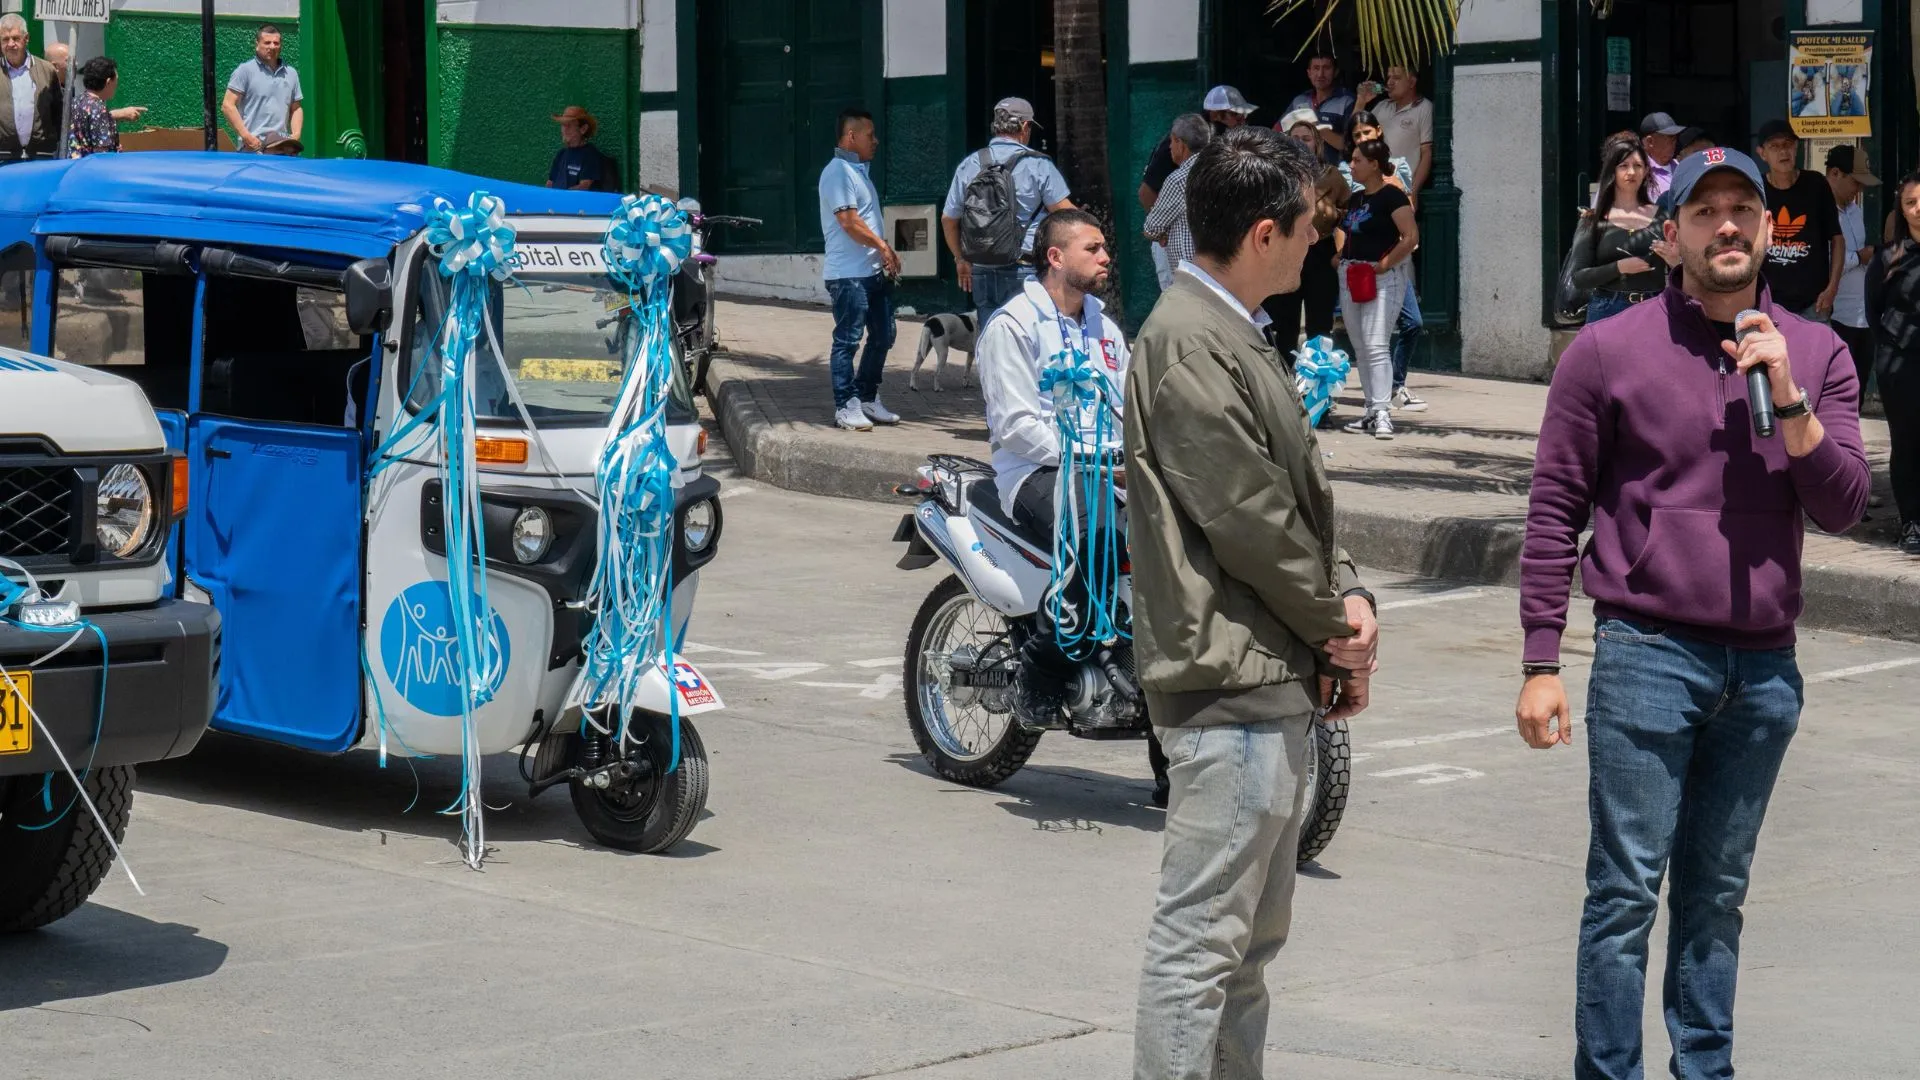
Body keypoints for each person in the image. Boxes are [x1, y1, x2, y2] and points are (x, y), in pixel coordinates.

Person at [1519, 146, 1868, 1080]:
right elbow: (1556, 506)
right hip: (1647, 652)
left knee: (1717, 894)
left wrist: (1789, 398)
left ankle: (1703, 1070)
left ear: (1769, 232)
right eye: (1705, 211)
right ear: (1668, 236)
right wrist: (1541, 659)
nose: (1726, 226)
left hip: (1763, 671)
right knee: (1626, 892)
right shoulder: (1606, 352)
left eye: (1742, 211)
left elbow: (1841, 503)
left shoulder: (1819, 354)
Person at [1125, 125, 1378, 1080]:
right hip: (1229, 682)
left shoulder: (1228, 330)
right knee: (1203, 947)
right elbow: (1251, 518)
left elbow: (1289, 501)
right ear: (1266, 232)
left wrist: (1341, 602)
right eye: (1313, 223)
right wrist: (1336, 621)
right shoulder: (1190, 340)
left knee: (1245, 951)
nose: (1324, 237)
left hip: (1264, 674)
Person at [941, 97, 1074, 321]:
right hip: (1025, 268)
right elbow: (1066, 215)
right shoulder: (1038, 165)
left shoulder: (969, 164)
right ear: (1024, 126)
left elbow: (948, 219)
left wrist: (961, 259)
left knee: (992, 340)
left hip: (982, 268)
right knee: (1029, 338)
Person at [818, 107, 900, 432]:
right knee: (848, 340)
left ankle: (867, 397)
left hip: (871, 274)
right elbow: (849, 222)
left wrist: (882, 255)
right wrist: (883, 247)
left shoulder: (859, 171)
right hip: (848, 277)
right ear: (851, 136)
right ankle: (846, 405)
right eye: (870, 135)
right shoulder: (837, 172)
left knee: (884, 334)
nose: (875, 141)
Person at [1340, 110, 1425, 410]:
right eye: (1355, 136)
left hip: (1386, 270)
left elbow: (1409, 233)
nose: (1350, 165)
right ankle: (1373, 404)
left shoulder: (1393, 187)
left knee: (1382, 340)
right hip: (1355, 273)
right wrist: (1340, 257)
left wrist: (1386, 263)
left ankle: (1386, 400)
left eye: (1365, 134)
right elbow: (1346, 227)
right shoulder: (1355, 196)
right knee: (1364, 346)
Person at [1261, 108, 1348, 356]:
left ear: (1317, 144)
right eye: (1295, 138)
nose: (1300, 143)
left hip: (1320, 252)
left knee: (1319, 323)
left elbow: (1347, 213)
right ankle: (1286, 379)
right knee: (1284, 320)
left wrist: (1340, 251)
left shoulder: (1331, 176)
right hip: (1287, 251)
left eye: (1306, 138)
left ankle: (1319, 381)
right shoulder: (1276, 176)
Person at [1865, 172, 1920, 556]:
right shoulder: (1889, 256)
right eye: (1911, 203)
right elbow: (1874, 311)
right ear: (1901, 211)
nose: (1919, 209)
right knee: (1907, 441)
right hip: (1901, 361)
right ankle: (1912, 522)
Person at [1572, 134, 1679, 323]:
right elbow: (1579, 277)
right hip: (1608, 308)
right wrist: (1619, 267)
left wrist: (1674, 261)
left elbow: (1685, 270)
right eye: (1623, 166)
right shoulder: (1592, 220)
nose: (1631, 172)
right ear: (1612, 171)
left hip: (1653, 308)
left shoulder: (1663, 217)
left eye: (1637, 166)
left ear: (1646, 170)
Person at [1756, 119, 1844, 321]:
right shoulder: (1757, 189)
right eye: (1774, 146)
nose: (1783, 152)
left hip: (1815, 303)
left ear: (1796, 147)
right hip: (1769, 303)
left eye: (1787, 145)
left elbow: (1837, 239)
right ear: (1762, 153)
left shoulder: (1816, 184)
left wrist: (1832, 289)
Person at [1827, 145, 1880, 396]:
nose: (1859, 189)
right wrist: (1859, 258)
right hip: (1835, 317)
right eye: (1855, 182)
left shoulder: (1855, 211)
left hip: (1863, 316)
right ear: (1835, 173)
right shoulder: (1820, 210)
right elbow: (1822, 262)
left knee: (1857, 393)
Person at [1141, 113, 1212, 284]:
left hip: (1191, 273)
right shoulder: (1221, 171)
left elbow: (1151, 228)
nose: (1170, 147)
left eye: (1172, 142)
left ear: (1180, 144)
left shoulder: (1178, 180)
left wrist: (1162, 233)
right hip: (1220, 270)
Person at [222, 23, 302, 153]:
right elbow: (227, 105)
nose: (272, 47)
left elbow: (296, 108)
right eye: (267, 43)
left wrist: (296, 135)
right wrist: (247, 137)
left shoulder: (291, 73)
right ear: (257, 44)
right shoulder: (244, 70)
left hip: (282, 149)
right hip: (252, 149)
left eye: (276, 43)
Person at [1357, 65, 1433, 193]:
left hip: (1400, 189)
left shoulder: (1424, 107)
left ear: (1412, 82)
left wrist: (1414, 191)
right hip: (1372, 187)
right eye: (1388, 77)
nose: (1389, 82)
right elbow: (1354, 133)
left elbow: (1426, 153)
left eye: (1396, 78)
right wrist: (1361, 101)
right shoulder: (1382, 106)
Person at [0, 14, 62, 163]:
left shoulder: (47, 70)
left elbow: (58, 112)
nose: (10, 44)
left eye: (15, 38)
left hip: (41, 156)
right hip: (4, 157)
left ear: (26, 38)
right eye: (5, 39)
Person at [1283, 52, 1354, 162]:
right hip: (1301, 168)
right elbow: (1278, 132)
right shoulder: (1299, 100)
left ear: (1335, 72)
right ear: (1309, 73)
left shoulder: (1347, 101)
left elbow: (1349, 145)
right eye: (1316, 68)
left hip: (1334, 172)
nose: (1320, 74)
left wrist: (1318, 129)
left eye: (1326, 68)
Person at [68, 56, 133, 158]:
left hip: (76, 165)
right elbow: (102, 152)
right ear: (108, 82)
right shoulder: (98, 108)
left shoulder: (76, 101)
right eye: (116, 82)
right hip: (93, 168)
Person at [546, 106, 607, 191]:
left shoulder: (589, 154)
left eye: (569, 125)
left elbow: (584, 187)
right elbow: (550, 183)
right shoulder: (561, 154)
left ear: (583, 129)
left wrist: (562, 197)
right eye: (563, 125)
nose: (564, 130)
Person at [1634, 111, 1685, 199]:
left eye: (1675, 138)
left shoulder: (1681, 168)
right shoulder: (1638, 172)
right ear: (1650, 141)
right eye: (1669, 138)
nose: (1674, 142)